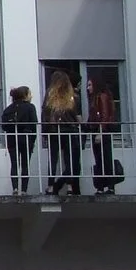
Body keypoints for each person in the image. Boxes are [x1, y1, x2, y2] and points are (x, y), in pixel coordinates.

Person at [42, 68, 82, 197]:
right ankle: (70, 186)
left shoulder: (50, 97)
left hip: (54, 131)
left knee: (53, 160)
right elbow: (77, 117)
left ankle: (50, 186)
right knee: (69, 159)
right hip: (69, 130)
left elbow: (45, 115)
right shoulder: (72, 97)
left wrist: (45, 132)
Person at [87, 75, 122, 194]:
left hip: (102, 131)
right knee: (99, 159)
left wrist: (100, 132)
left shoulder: (101, 97)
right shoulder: (94, 98)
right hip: (96, 130)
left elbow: (105, 115)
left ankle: (109, 186)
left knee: (105, 159)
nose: (88, 88)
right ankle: (102, 186)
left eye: (90, 85)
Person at [1, 84, 39, 193]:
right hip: (26, 138)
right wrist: (33, 139)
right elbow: (34, 123)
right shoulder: (30, 107)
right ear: (25, 95)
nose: (31, 96)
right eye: (30, 94)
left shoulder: (8, 109)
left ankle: (15, 188)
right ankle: (24, 190)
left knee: (14, 164)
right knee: (25, 164)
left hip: (12, 138)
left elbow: (4, 125)